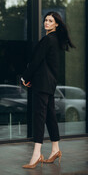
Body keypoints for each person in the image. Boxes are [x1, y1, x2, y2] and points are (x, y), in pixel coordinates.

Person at [21, 11, 75, 169]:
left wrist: (25, 78)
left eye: (50, 21)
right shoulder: (58, 41)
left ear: (56, 24)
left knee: (39, 117)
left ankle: (37, 154)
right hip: (50, 84)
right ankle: (55, 149)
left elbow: (35, 62)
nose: (46, 22)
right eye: (45, 20)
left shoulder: (47, 40)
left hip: (42, 84)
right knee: (50, 116)